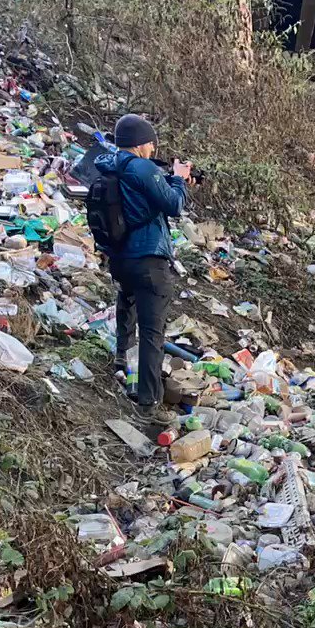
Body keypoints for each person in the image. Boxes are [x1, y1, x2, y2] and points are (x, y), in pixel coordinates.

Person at [95, 114, 191, 426]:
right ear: (139, 143)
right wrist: (178, 178)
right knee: (153, 333)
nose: (152, 148)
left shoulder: (109, 164)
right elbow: (174, 204)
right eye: (150, 142)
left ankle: (121, 359)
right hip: (149, 258)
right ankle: (149, 403)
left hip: (121, 258)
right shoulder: (143, 168)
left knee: (127, 302)